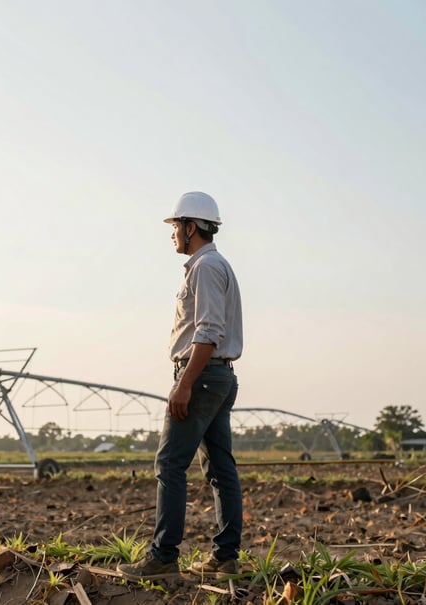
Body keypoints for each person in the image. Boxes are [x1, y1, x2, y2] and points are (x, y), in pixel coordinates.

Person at [117, 191, 244, 581]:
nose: (172, 234)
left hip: (202, 375)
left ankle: (163, 558)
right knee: (221, 468)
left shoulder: (205, 267)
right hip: (219, 376)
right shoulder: (214, 264)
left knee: (169, 464)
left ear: (192, 227)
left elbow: (207, 333)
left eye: (175, 226)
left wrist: (183, 384)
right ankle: (225, 558)